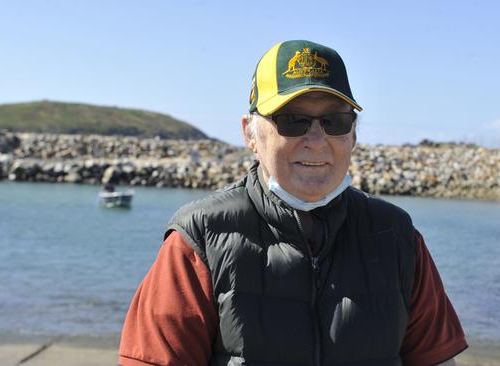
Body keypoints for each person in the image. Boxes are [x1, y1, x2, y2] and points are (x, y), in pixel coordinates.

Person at [119, 40, 468, 366]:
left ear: (354, 134)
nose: (316, 140)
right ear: (250, 134)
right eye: (292, 121)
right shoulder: (201, 238)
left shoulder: (397, 237)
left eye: (334, 121)